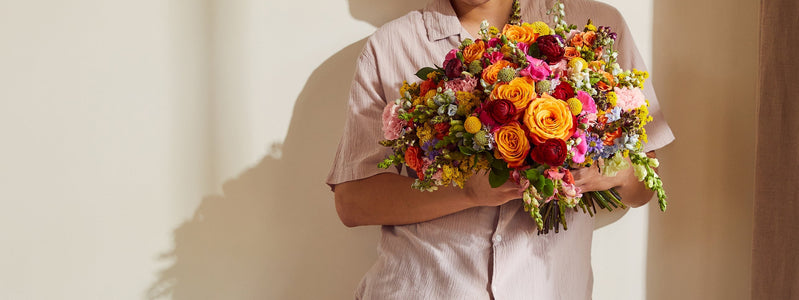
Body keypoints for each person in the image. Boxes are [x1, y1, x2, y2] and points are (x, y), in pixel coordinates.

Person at [327, 0, 675, 298]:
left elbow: (645, 182)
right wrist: (465, 190)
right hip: (424, 286)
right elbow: (353, 202)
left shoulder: (595, 27)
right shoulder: (392, 45)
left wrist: (607, 169)